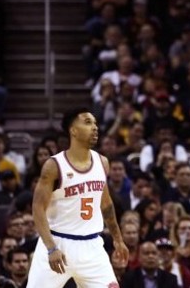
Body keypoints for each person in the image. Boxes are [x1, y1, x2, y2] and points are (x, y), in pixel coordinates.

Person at [27, 108, 129, 287]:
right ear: (73, 130)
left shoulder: (102, 162)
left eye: (96, 123)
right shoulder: (54, 166)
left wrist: (118, 240)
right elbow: (37, 209)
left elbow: (105, 204)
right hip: (57, 243)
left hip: (92, 246)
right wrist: (51, 248)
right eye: (88, 122)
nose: (95, 127)